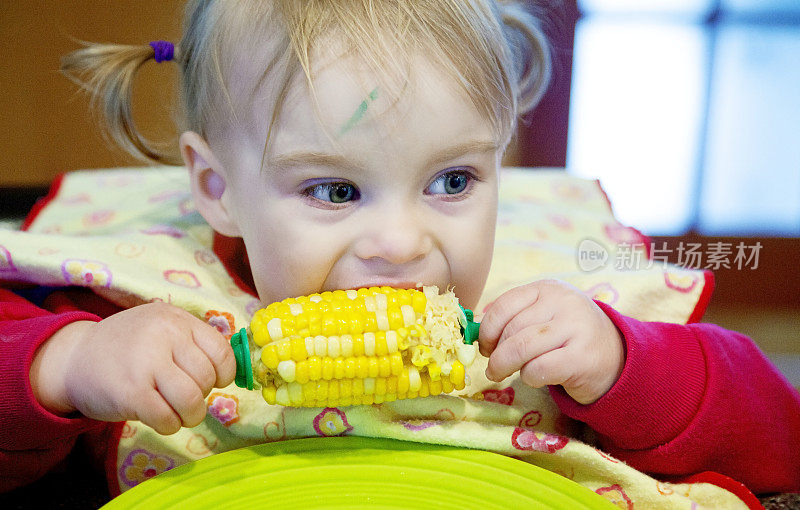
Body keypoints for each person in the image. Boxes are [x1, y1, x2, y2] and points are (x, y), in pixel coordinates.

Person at [1, 0, 798, 502]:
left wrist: (628, 366)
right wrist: (66, 365)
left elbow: (778, 438)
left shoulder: (556, 312)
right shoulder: (141, 309)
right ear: (219, 188)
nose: (402, 244)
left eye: (452, 180)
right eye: (336, 192)